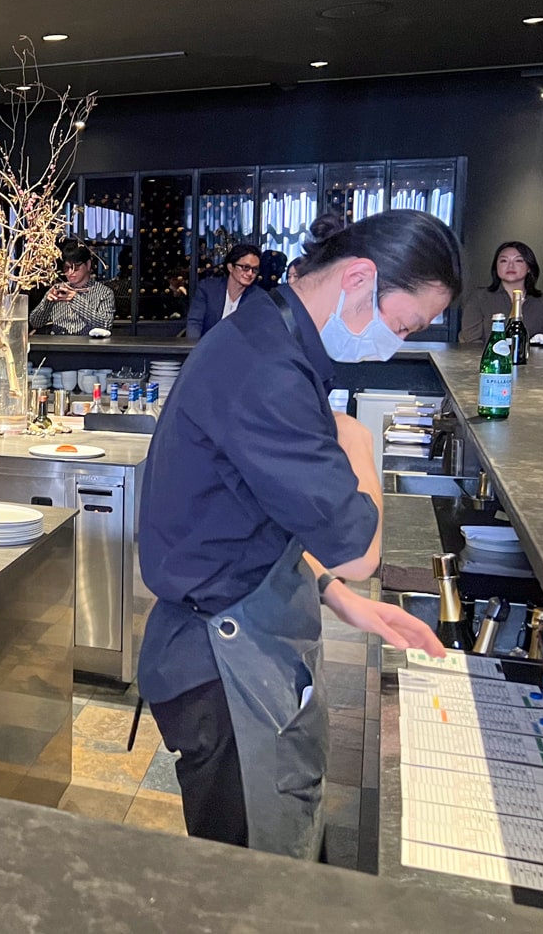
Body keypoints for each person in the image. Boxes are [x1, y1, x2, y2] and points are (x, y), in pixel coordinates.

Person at [137, 210, 459, 859]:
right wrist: (360, 442)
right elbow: (359, 548)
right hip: (220, 664)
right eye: (402, 324)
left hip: (234, 625)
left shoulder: (270, 334)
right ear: (360, 277)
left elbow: (245, 515)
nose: (394, 345)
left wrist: (338, 596)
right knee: (256, 882)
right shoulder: (268, 371)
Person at [459, 240, 543, 343]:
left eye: (518, 260)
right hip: (487, 358)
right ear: (496, 267)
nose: (510, 266)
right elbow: (471, 342)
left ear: (529, 267)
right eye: (504, 261)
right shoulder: (480, 298)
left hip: (531, 359)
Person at [28, 246, 116, 335]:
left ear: (88, 265)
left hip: (89, 346)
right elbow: (34, 323)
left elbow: (106, 325)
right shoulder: (58, 289)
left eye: (76, 267)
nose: (70, 272)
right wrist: (47, 303)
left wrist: (75, 300)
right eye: (66, 268)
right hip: (57, 345)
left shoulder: (104, 293)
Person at [185, 244, 266, 339]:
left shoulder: (259, 297)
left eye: (255, 269)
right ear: (230, 267)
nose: (250, 273)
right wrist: (194, 350)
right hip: (206, 348)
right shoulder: (208, 288)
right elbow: (194, 323)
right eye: (246, 267)